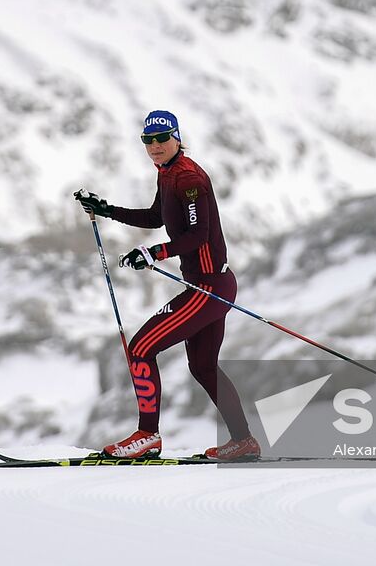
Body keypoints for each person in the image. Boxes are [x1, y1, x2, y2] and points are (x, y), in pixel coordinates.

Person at [76, 109, 260, 461]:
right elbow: (156, 216)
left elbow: (197, 235)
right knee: (203, 366)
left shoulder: (188, 178)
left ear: (177, 137)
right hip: (211, 285)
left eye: (162, 138)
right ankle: (244, 441)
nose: (155, 146)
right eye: (148, 140)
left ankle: (147, 436)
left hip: (208, 288)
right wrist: (107, 210)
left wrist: (154, 252)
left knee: (141, 348)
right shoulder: (168, 174)